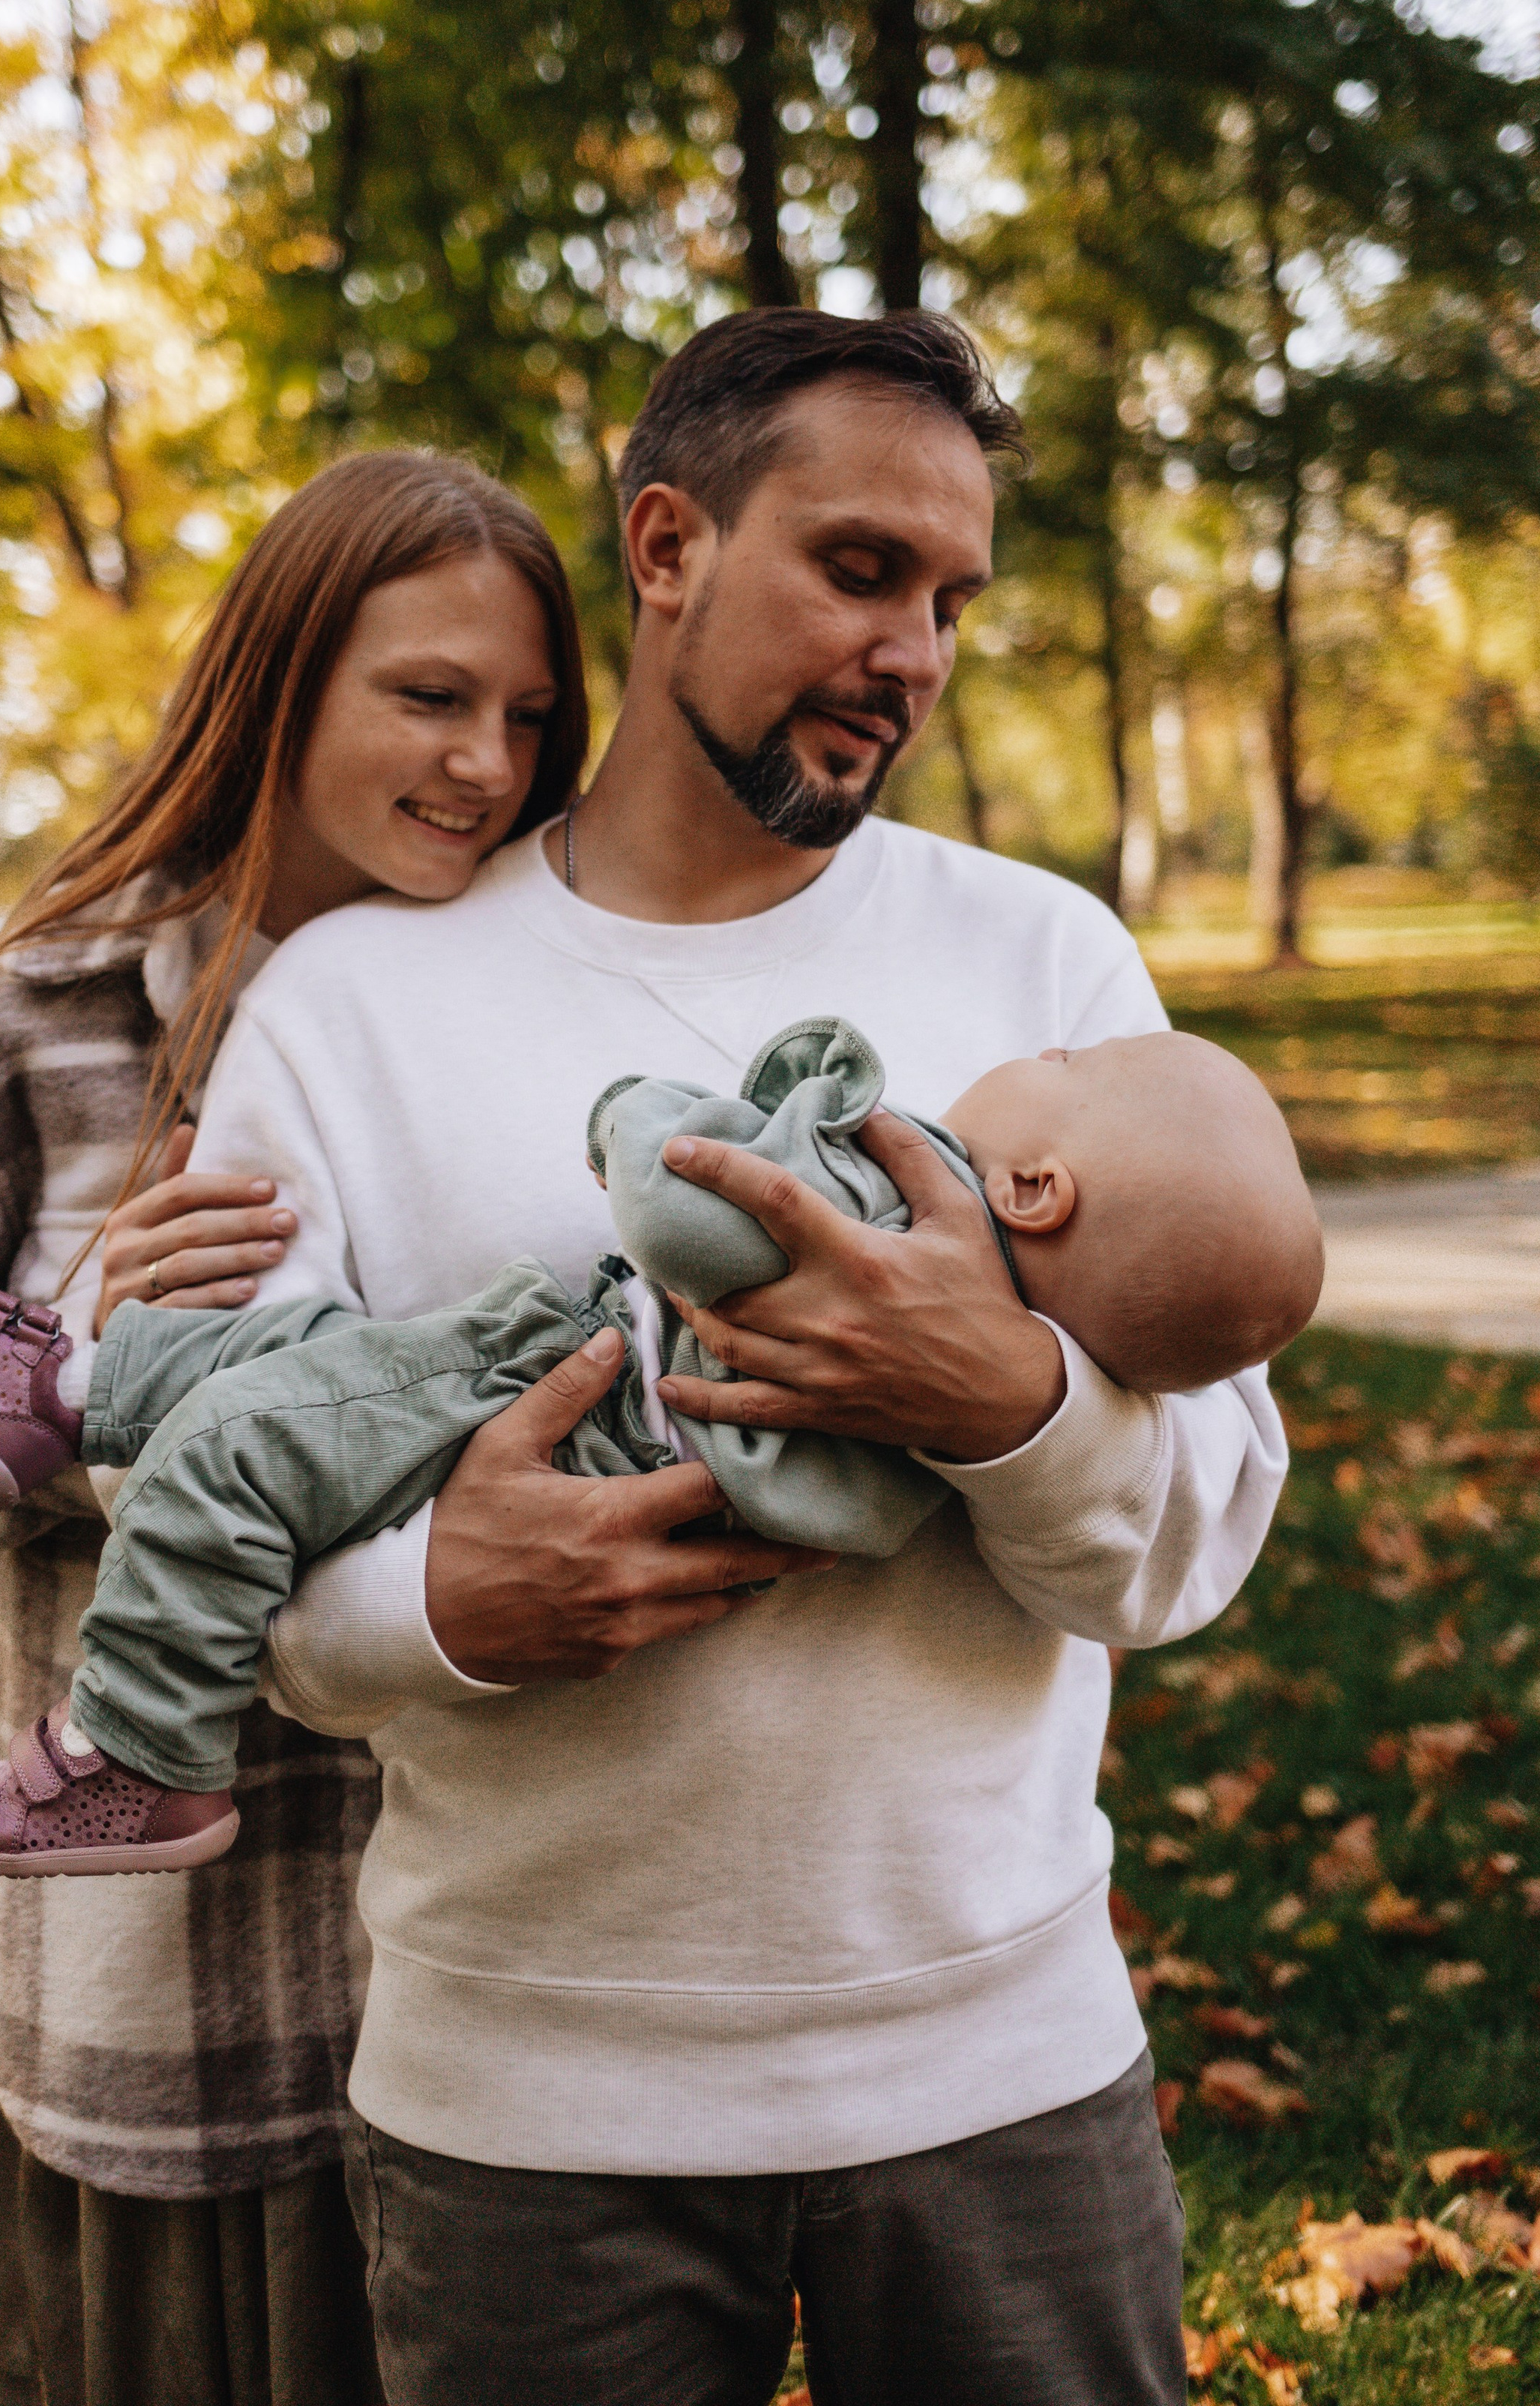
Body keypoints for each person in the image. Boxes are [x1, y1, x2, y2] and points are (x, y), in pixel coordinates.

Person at [146, 308, 1294, 2406]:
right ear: (667, 544)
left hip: (1002, 2074)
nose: (911, 653)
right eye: (858, 570)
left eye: (950, 601)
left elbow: (1189, 1550)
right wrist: (445, 1605)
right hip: (524, 2110)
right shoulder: (349, 1005)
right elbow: (223, 1537)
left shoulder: (1045, 963)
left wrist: (1007, 1406)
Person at [0, 449, 595, 2406]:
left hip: (507, 1981)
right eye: (429, 695)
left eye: (528, 716)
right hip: (184, 2001)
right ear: (280, 684)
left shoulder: (538, 1027)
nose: (485, 763)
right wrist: (76, 1364)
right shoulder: (34, 1032)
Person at [0, 1018, 1321, 1876]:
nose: (1044, 1046)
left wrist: (631, 1117)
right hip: (569, 1404)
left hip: (563, 1399)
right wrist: (422, 1604)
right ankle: (58, 1392)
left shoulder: (901, 1213)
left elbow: (693, 1218)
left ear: (1038, 1188)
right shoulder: (988, 1283)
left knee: (248, 1440)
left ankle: (143, 1753)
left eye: (1068, 1060)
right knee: (308, 1359)